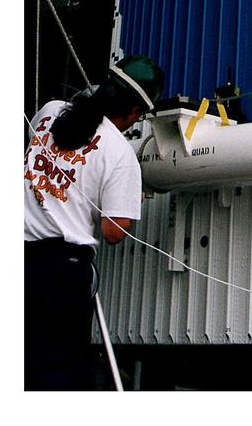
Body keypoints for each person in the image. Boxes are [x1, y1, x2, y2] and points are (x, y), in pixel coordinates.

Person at [23, 54, 165, 390]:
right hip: (57, 271)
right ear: (135, 113)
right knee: (50, 373)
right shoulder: (120, 154)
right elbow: (112, 231)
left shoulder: (50, 112)